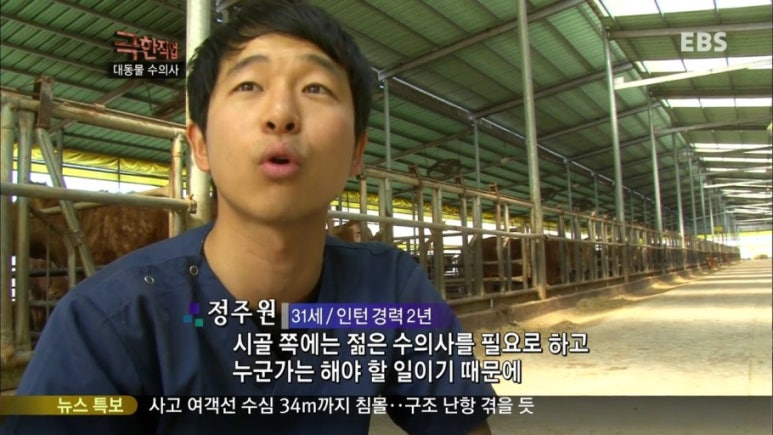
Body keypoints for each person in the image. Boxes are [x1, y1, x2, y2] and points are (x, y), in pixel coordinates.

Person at [2, 1, 495, 433]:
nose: (280, 113)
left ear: (356, 152)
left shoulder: (390, 290)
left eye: (316, 88)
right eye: (248, 85)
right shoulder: (103, 325)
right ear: (200, 144)